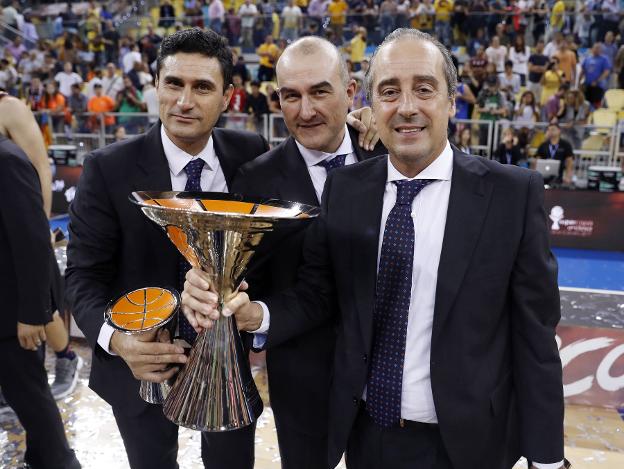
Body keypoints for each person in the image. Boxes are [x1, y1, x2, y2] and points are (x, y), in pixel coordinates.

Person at [183, 28, 567, 469]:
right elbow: (318, 292)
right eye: (389, 91)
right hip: (368, 437)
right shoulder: (346, 189)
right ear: (372, 104)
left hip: (473, 442)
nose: (406, 106)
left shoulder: (511, 194)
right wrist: (255, 314)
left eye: (423, 88)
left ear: (451, 100)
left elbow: (536, 339)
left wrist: (547, 460)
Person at [65, 28, 270, 469]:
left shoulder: (251, 153)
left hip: (225, 365)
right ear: (156, 85)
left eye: (202, 87)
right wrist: (118, 342)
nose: (184, 101)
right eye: (174, 83)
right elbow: (82, 276)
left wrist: (357, 128)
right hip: (143, 364)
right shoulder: (107, 170)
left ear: (228, 96)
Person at [227, 36, 387, 469]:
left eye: (320, 91)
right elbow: (250, 282)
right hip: (301, 379)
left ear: (351, 92)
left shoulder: (394, 152)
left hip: (392, 376)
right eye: (291, 96)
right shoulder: (254, 181)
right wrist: (249, 309)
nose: (306, 109)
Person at [0, 96, 81, 469]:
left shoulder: (7, 158)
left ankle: (59, 462)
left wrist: (33, 312)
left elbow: (33, 237)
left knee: (33, 400)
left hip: (10, 307)